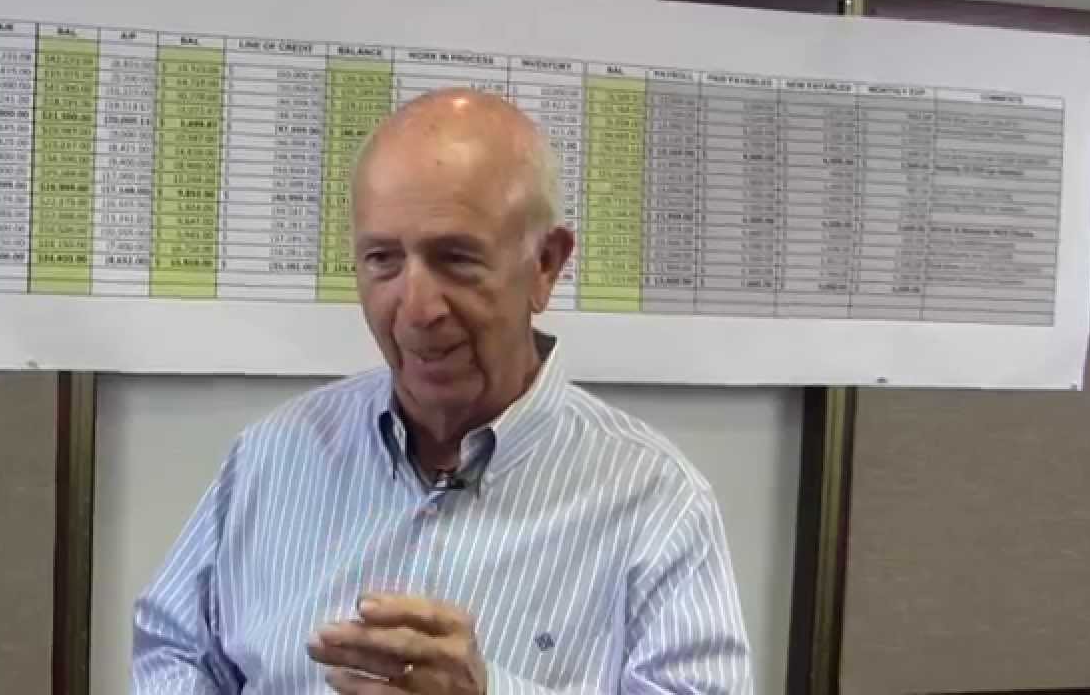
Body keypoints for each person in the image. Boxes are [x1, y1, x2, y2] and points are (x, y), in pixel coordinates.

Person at [132, 88, 752, 694]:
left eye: (456, 259)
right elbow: (173, 650)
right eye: (383, 260)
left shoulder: (656, 502)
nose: (417, 309)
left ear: (546, 265)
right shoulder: (270, 458)